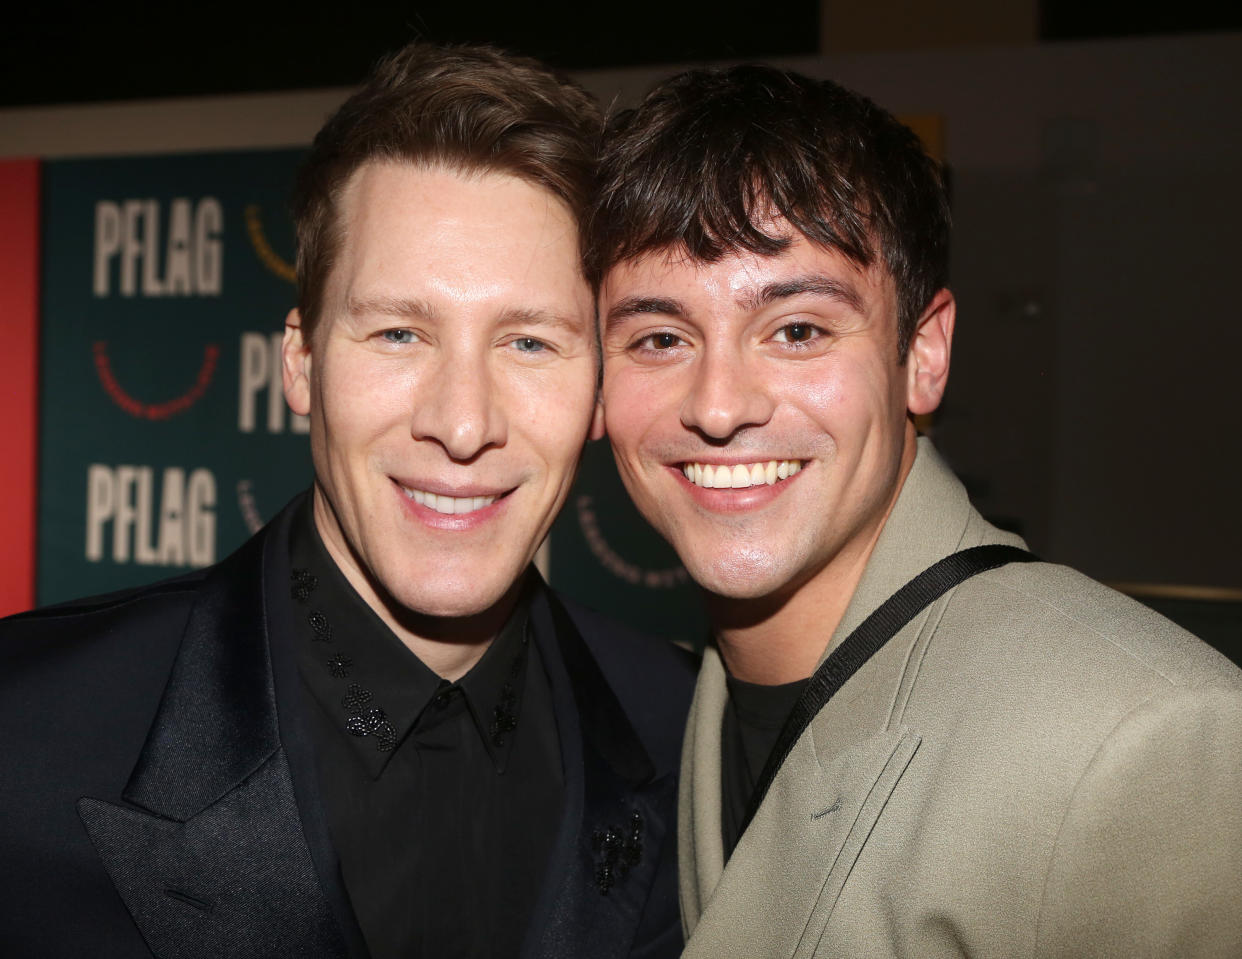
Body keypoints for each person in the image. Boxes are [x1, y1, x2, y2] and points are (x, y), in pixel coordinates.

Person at [0, 44, 694, 959]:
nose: (462, 423)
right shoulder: (25, 730)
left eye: (529, 343)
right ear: (301, 363)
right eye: (401, 332)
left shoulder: (693, 733)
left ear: (600, 391)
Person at [590, 63, 1242, 958]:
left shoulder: (1144, 741)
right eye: (660, 338)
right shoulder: (672, 708)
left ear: (924, 353)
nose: (717, 403)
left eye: (799, 330)